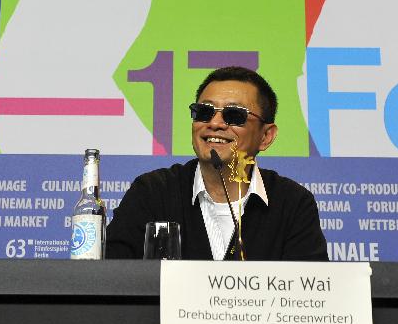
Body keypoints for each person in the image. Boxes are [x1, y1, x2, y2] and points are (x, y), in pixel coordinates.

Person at [106, 66, 328, 260]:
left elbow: (310, 295)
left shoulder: (293, 203)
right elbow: (111, 280)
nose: (215, 123)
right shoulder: (152, 193)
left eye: (234, 115)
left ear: (266, 136)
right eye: (204, 112)